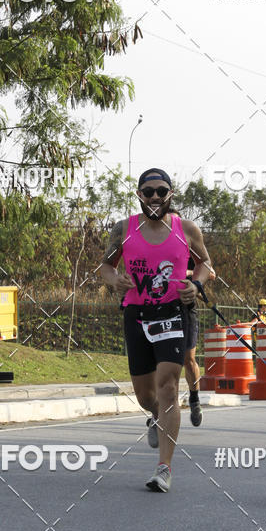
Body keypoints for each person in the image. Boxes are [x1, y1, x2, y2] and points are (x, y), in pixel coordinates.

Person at [100, 168, 212, 492]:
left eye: (161, 192)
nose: (154, 198)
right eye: (148, 192)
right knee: (147, 396)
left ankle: (164, 468)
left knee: (168, 388)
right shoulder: (124, 230)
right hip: (136, 314)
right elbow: (106, 265)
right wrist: (115, 280)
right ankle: (154, 416)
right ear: (139, 195)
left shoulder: (187, 230)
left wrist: (195, 283)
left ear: (170, 195)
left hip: (172, 314)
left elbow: (205, 264)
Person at [183, 255, 216, 427]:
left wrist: (185, 273)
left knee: (188, 360)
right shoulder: (154, 243)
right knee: (163, 363)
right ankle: (158, 410)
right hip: (160, 311)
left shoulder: (188, 245)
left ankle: (194, 400)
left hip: (186, 310)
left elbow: (211, 273)